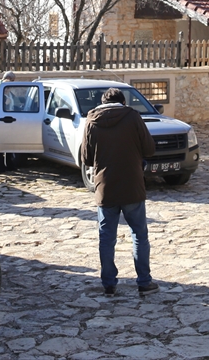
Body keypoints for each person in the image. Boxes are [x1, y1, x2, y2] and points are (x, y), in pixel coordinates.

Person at [79, 88, 158, 296]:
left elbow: (86, 157)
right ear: (122, 102)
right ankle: (144, 282)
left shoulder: (92, 119)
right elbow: (149, 148)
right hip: (132, 183)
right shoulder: (132, 116)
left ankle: (109, 284)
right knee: (139, 234)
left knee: (106, 237)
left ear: (103, 101)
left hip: (105, 186)